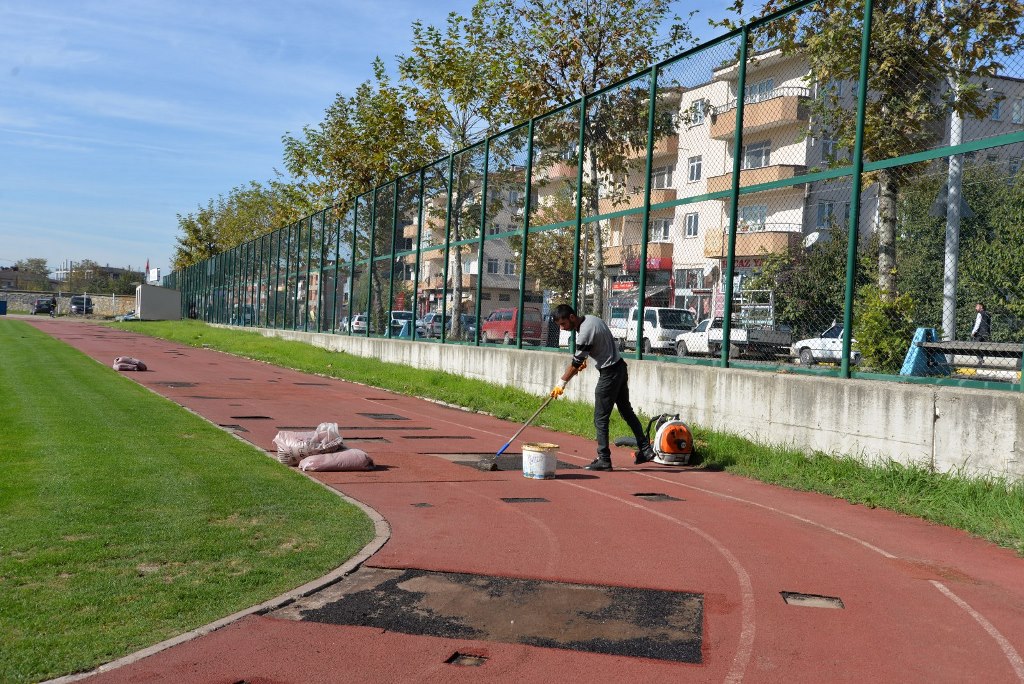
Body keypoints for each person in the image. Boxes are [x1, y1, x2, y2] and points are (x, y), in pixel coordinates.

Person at [550, 304, 653, 471]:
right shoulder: (592, 319)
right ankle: (646, 449)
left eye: (563, 324)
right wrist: (584, 359)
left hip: (609, 374)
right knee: (626, 411)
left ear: (571, 317)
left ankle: (604, 459)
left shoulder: (584, 332)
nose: (562, 328)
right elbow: (597, 345)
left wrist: (561, 383)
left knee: (600, 418)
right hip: (620, 367)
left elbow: (576, 361)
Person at [970, 302, 991, 366]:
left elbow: (977, 324)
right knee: (981, 348)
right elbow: (990, 324)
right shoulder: (988, 314)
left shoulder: (979, 314)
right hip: (986, 333)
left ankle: (980, 359)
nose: (975, 308)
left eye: (977, 306)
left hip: (979, 333)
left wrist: (973, 332)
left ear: (981, 307)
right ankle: (980, 362)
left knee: (974, 346)